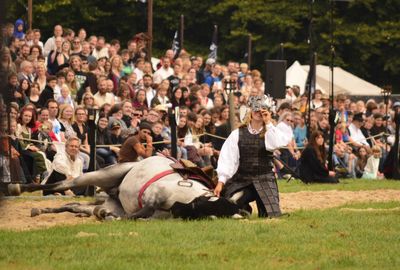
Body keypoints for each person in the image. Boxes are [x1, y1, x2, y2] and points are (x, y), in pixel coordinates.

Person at [214, 96, 291, 218]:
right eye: (256, 109)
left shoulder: (270, 131)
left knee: (269, 215)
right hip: (242, 180)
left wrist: (268, 123)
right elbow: (228, 159)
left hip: (265, 179)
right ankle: (244, 209)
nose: (259, 112)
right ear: (250, 111)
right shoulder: (237, 134)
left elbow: (277, 143)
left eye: (263, 109)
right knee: (232, 203)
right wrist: (221, 182)